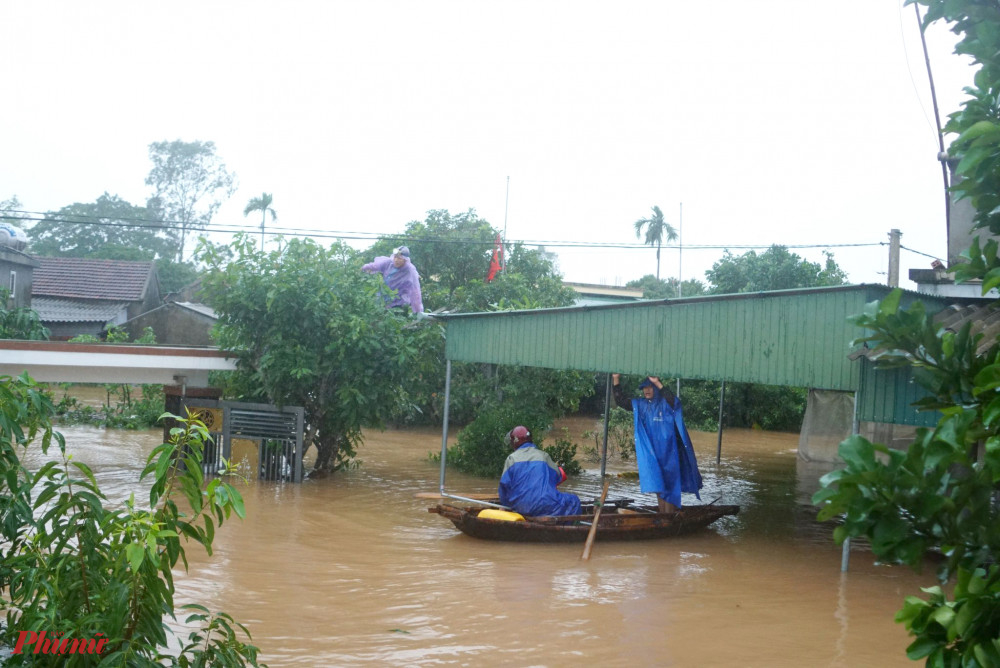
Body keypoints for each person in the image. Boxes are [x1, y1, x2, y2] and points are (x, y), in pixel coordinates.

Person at [612, 374, 703, 513]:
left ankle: (669, 517)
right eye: (644, 388)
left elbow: (675, 401)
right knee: (658, 485)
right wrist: (616, 379)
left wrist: (658, 382)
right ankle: (662, 515)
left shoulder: (666, 403)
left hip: (670, 452)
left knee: (671, 486)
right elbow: (621, 401)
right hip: (653, 453)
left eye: (650, 387)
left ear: (656, 388)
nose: (646, 390)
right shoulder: (641, 404)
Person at [498, 425, 582, 517]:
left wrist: (505, 505)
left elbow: (504, 488)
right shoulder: (543, 456)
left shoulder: (511, 459)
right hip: (545, 505)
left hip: (520, 507)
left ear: (514, 442)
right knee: (574, 500)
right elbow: (559, 477)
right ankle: (565, 528)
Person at [361, 246, 424, 314]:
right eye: (395, 257)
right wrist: (363, 268)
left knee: (393, 320)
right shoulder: (389, 263)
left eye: (400, 258)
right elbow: (375, 266)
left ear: (405, 260)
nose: (396, 260)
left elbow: (415, 291)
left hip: (398, 303)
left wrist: (418, 311)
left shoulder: (410, 271)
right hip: (382, 298)